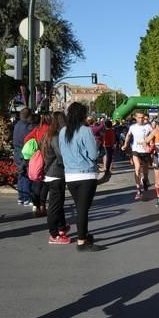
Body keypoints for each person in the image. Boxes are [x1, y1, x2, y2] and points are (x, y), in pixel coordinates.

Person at [59, 102, 103, 252]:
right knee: (83, 210)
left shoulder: (62, 131)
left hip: (70, 175)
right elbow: (93, 154)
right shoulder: (86, 131)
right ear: (83, 115)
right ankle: (81, 241)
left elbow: (62, 153)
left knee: (80, 208)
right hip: (86, 174)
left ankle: (84, 234)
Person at [43, 111, 71, 245]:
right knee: (54, 206)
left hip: (51, 172)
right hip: (56, 173)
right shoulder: (55, 137)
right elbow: (60, 155)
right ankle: (53, 234)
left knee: (58, 203)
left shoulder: (48, 134)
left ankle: (61, 227)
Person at [121, 112, 153, 201]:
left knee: (145, 171)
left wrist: (151, 144)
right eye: (139, 117)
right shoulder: (133, 127)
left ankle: (145, 180)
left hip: (145, 151)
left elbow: (153, 136)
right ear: (136, 118)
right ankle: (138, 190)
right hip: (136, 150)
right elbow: (128, 135)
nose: (141, 119)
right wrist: (125, 145)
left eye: (142, 117)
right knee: (137, 168)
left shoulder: (148, 127)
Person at [24, 114, 51, 217]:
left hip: (38, 158)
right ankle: (42, 205)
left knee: (36, 183)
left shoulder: (38, 129)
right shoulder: (51, 130)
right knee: (44, 184)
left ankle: (36, 206)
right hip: (47, 159)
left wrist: (35, 148)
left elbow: (26, 139)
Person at [13, 108, 35, 206]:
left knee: (21, 175)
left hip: (17, 153)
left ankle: (21, 197)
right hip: (24, 153)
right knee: (26, 176)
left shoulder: (17, 125)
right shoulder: (27, 127)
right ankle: (26, 198)